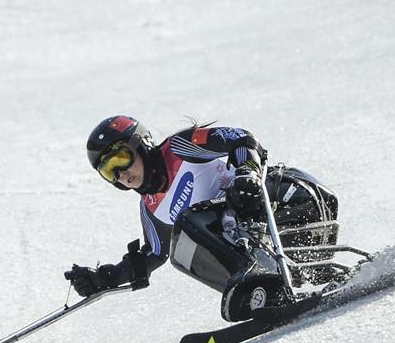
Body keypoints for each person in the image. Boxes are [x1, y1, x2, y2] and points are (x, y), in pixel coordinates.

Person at [68, 115, 268, 299]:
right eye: (110, 171)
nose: (121, 174)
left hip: (263, 202)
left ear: (140, 144)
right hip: (243, 241)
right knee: (180, 250)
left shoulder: (178, 148)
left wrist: (248, 171)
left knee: (188, 222)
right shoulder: (150, 209)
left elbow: (239, 137)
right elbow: (154, 254)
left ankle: (256, 274)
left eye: (121, 159)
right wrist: (104, 278)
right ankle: (255, 288)